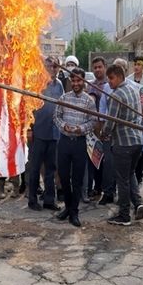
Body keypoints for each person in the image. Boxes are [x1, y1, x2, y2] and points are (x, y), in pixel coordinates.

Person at [100, 64, 143, 226]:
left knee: (122, 180)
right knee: (130, 173)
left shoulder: (116, 95)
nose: (109, 82)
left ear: (119, 76)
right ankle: (138, 203)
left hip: (123, 143)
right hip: (137, 141)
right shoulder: (134, 89)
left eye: (111, 78)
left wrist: (104, 133)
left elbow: (110, 122)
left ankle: (124, 215)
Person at [54, 66, 96, 227]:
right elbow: (56, 116)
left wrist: (80, 129)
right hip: (64, 142)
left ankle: (74, 212)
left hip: (79, 143)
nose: (76, 83)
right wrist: (63, 126)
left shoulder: (88, 101)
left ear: (84, 81)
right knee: (64, 177)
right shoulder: (64, 98)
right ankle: (67, 208)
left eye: (79, 80)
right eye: (73, 80)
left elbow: (93, 121)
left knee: (77, 180)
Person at [27, 55, 63, 211]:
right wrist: (29, 129)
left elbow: (61, 106)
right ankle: (32, 200)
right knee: (35, 168)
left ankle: (49, 200)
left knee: (51, 168)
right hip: (38, 132)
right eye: (50, 66)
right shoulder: (37, 83)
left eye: (56, 66)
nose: (52, 69)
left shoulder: (59, 85)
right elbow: (28, 107)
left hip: (54, 133)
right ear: (44, 66)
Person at [88, 56, 116, 206]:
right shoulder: (91, 85)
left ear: (105, 67)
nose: (98, 70)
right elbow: (91, 101)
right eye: (95, 67)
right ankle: (97, 188)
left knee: (109, 162)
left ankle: (110, 190)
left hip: (109, 128)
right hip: (95, 127)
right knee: (95, 159)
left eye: (100, 67)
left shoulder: (111, 84)